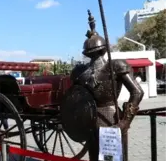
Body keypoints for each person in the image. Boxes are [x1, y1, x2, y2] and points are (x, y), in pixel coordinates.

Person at [62, 10, 144, 161]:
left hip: (111, 119)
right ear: (104, 49)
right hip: (92, 120)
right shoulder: (81, 72)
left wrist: (125, 121)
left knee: (111, 157)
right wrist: (125, 121)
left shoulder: (115, 66)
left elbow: (137, 92)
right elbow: (137, 92)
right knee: (98, 156)